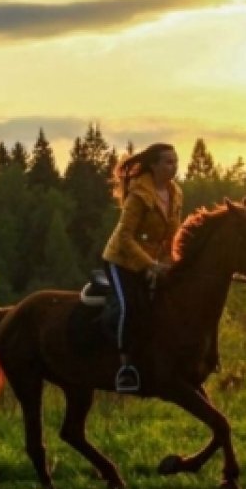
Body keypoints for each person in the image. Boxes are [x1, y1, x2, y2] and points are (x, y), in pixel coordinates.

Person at [100, 143, 183, 392]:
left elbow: (172, 234)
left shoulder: (176, 193)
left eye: (175, 161)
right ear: (154, 166)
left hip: (155, 263)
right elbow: (125, 237)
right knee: (130, 308)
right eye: (168, 162)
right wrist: (151, 265)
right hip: (121, 261)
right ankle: (126, 368)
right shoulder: (139, 195)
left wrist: (174, 261)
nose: (174, 166)